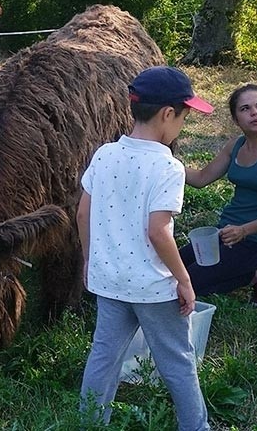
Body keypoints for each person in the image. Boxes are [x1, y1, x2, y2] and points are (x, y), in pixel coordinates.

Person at [78, 66, 214, 430]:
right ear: (168, 114)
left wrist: (91, 259)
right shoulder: (167, 166)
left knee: (104, 356)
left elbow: (83, 212)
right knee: (177, 360)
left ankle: (91, 422)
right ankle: (196, 427)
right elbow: (159, 231)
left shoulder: (104, 154)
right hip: (153, 288)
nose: (182, 126)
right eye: (184, 117)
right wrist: (184, 280)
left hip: (109, 280)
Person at [181, 84, 257, 305]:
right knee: (171, 268)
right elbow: (201, 178)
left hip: (254, 242)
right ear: (235, 119)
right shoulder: (236, 145)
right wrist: (164, 162)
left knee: (188, 283)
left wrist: (244, 230)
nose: (255, 112)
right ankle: (251, 272)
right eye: (245, 109)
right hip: (223, 234)